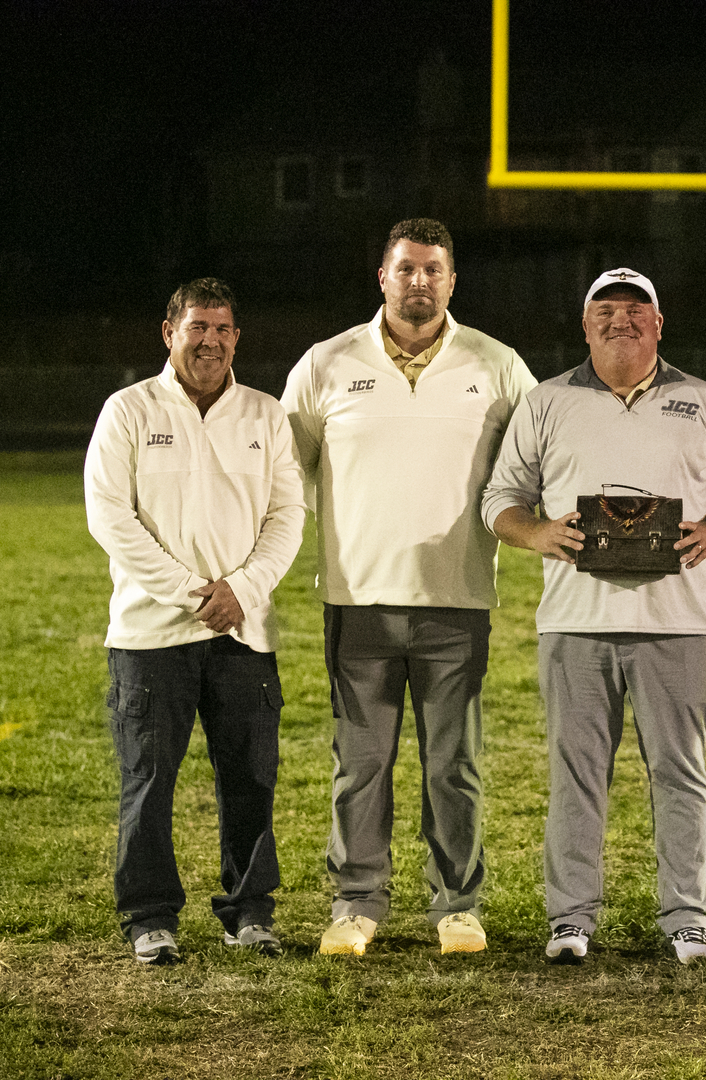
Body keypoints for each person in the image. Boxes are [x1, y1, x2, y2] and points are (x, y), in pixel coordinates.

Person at [482, 268, 706, 966]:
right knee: (577, 774)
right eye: (604, 311)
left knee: (681, 772)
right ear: (585, 325)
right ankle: (570, 918)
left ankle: (688, 919)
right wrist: (538, 532)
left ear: (659, 324)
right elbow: (499, 500)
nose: (621, 321)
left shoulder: (702, 402)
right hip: (575, 621)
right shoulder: (546, 403)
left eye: (636, 311)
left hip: (675, 623)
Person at [281, 218, 537, 957]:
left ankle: (456, 904)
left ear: (452, 281)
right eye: (405, 269)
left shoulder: (495, 363)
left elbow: (538, 454)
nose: (418, 282)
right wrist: (320, 531)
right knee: (360, 767)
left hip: (457, 599)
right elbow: (285, 467)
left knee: (452, 766)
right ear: (382, 277)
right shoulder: (327, 364)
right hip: (357, 600)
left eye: (433, 270)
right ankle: (356, 903)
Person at [85, 277, 305, 964]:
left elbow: (287, 514)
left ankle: (250, 911)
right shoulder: (128, 411)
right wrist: (193, 593)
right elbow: (111, 518)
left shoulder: (265, 416)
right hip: (152, 635)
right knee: (149, 781)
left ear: (237, 337)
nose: (209, 340)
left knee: (251, 779)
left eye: (222, 329)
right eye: (196, 328)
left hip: (243, 632)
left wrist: (242, 589)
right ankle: (150, 917)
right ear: (168, 333)